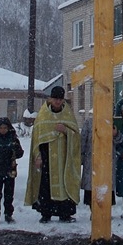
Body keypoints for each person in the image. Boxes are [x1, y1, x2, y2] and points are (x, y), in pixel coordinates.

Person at [24, 86, 81, 223]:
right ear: (50, 99)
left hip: (64, 159)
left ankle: (65, 213)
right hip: (46, 156)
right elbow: (36, 139)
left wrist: (66, 130)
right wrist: (37, 156)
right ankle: (46, 213)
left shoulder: (68, 114)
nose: (57, 101)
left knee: (64, 184)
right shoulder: (43, 115)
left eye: (60, 99)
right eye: (55, 99)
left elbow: (76, 137)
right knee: (46, 186)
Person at [0, 117, 24, 224]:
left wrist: (16, 148)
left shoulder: (13, 140)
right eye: (1, 128)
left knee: (9, 195)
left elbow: (20, 153)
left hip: (10, 171)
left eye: (5, 128)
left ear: (9, 128)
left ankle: (8, 215)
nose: (3, 130)